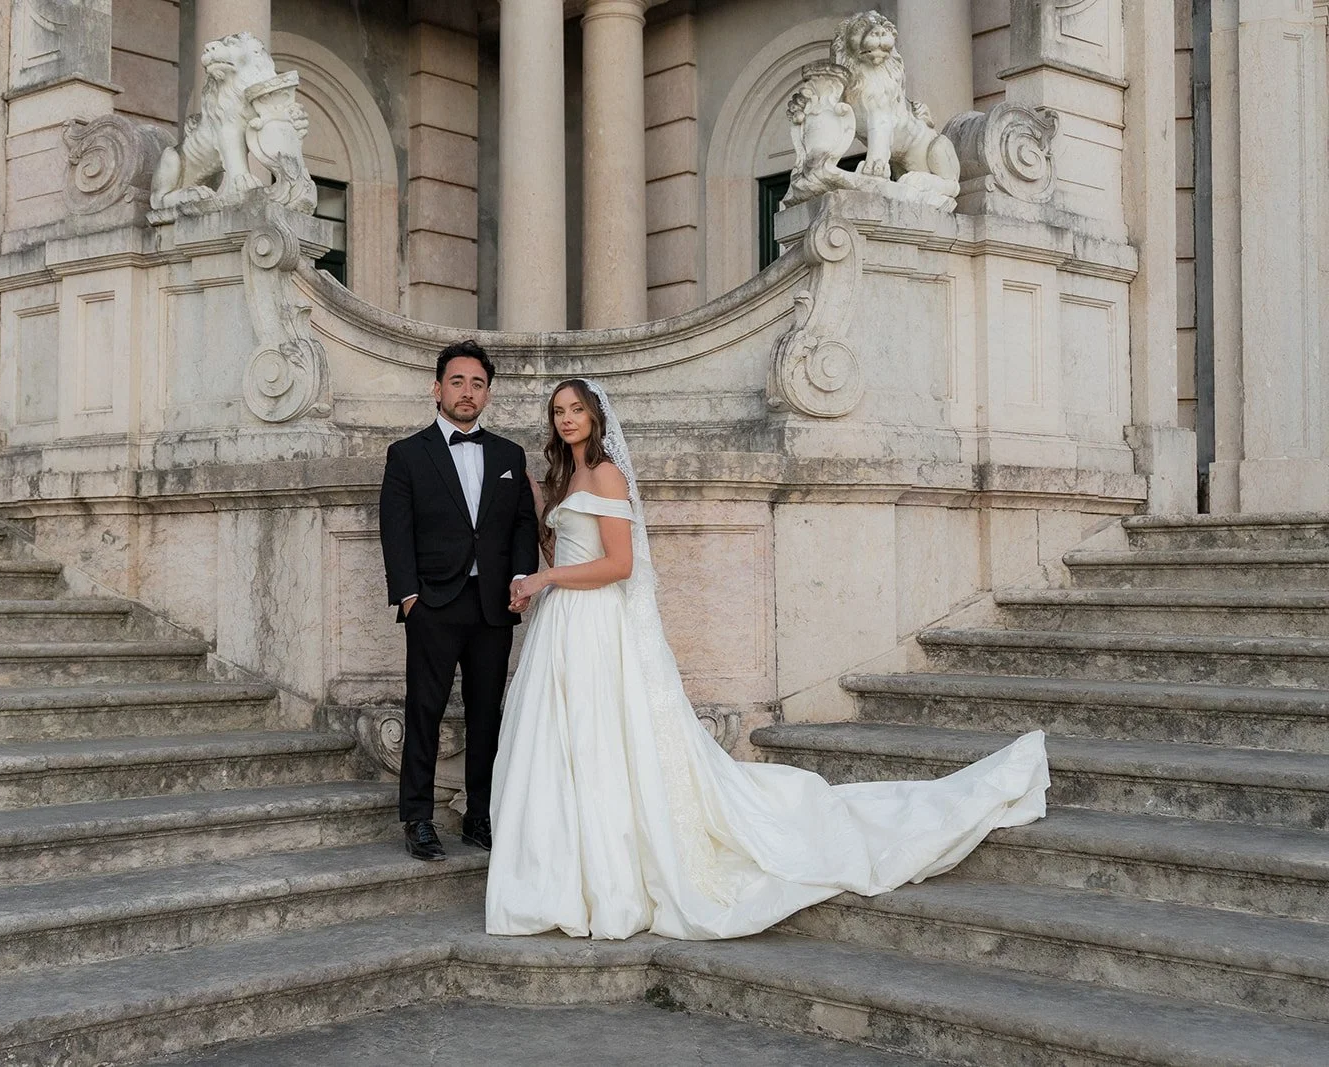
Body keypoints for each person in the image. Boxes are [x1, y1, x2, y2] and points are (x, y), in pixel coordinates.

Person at [486, 378, 1050, 940]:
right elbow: (567, 552)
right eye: (558, 411)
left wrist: (547, 577)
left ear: (594, 416)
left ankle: (610, 877)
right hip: (561, 624)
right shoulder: (563, 478)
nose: (566, 419)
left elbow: (620, 565)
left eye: (575, 409)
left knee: (601, 740)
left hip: (597, 622)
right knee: (569, 743)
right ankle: (568, 874)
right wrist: (540, 539)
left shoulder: (607, 472)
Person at [378, 340, 540, 862]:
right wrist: (408, 599)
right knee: (424, 710)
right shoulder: (407, 454)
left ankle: (479, 815)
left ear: (488, 394)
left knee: (485, 714)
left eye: (477, 384)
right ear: (437, 388)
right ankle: (418, 818)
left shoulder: (509, 456)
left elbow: (521, 525)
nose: (467, 392)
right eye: (457, 381)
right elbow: (394, 532)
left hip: (493, 605)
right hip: (433, 603)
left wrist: (521, 578)